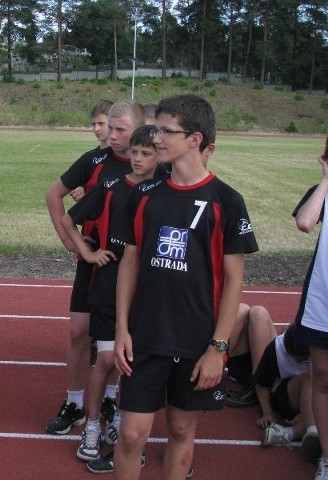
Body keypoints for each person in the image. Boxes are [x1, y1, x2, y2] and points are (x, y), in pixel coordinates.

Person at [113, 94, 259, 480]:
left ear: (195, 139)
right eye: (156, 128)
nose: (156, 138)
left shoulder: (226, 201)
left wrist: (218, 348)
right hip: (145, 337)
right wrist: (122, 329)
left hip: (197, 342)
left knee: (181, 429)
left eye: (165, 130)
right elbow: (129, 263)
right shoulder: (143, 196)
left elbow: (234, 282)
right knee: (130, 435)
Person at [60, 124, 159, 463]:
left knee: (134, 362)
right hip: (107, 287)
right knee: (105, 358)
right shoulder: (112, 186)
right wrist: (87, 253)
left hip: (146, 292)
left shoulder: (164, 191)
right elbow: (68, 217)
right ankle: (91, 424)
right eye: (135, 152)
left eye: (147, 153)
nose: (138, 158)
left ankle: (118, 421)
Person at [45, 99, 144, 435]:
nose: (112, 136)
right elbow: (54, 195)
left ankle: (110, 400)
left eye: (120, 130)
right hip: (96, 262)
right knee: (78, 333)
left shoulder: (153, 167)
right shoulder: (95, 160)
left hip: (130, 268)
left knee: (121, 338)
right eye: (109, 128)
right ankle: (73, 402)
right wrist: (73, 244)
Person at [293, 142, 328, 479]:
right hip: (323, 300)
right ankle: (327, 460)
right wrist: (327, 179)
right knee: (323, 379)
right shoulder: (322, 191)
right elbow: (305, 222)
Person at [256, 324, 318, 460]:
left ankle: (286, 433)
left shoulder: (321, 347)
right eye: (294, 357)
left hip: (318, 399)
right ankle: (312, 428)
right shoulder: (276, 348)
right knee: (310, 376)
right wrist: (267, 412)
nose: (297, 361)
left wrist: (306, 414)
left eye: (302, 359)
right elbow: (261, 384)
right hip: (289, 396)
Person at [225, 303, 277, 408]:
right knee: (241, 308)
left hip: (266, 370)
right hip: (240, 364)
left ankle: (256, 384)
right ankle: (216, 367)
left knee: (259, 312)